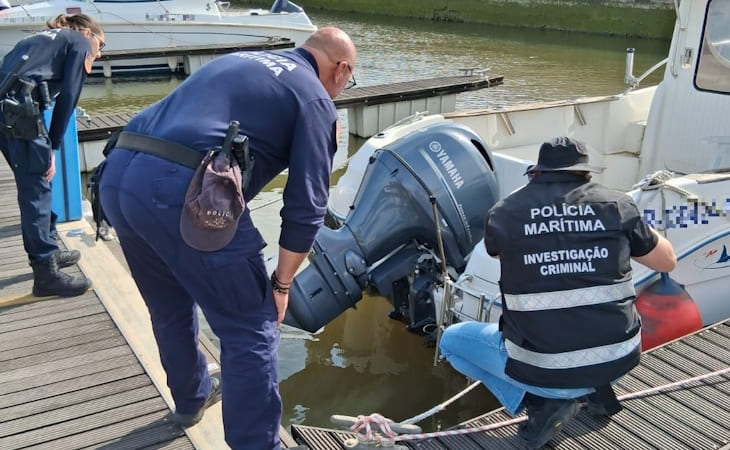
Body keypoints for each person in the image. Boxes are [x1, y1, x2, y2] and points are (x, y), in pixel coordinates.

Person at [98, 27, 357, 449]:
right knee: (251, 327)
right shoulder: (315, 98)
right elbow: (307, 205)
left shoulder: (240, 58)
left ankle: (191, 398)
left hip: (119, 175)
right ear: (341, 69)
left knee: (169, 305)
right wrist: (281, 285)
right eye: (349, 80)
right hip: (181, 188)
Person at [439, 137, 677, 449]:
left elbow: (493, 251)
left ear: (536, 173)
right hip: (618, 360)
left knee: (451, 342)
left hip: (545, 372)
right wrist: (625, 220)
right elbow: (667, 261)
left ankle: (540, 403)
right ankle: (593, 391)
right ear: (586, 173)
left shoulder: (506, 213)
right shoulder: (618, 206)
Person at [0, 14, 104, 297]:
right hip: (21, 114)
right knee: (36, 190)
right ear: (86, 33)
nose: (99, 53)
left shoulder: (37, 38)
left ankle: (49, 247)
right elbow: (69, 96)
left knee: (36, 185)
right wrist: (53, 148)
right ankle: (45, 274)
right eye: (101, 44)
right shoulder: (79, 42)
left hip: (7, 111)